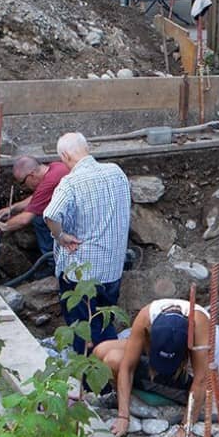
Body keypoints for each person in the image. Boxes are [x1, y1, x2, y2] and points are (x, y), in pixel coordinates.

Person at [42, 132, 131, 355]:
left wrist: (60, 236)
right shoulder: (116, 172)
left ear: (64, 155)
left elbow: (50, 215)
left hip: (81, 274)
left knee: (83, 330)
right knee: (103, 321)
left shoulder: (70, 183)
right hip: (112, 268)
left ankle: (94, 385)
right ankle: (114, 370)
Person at [92, 293, 219, 437]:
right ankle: (128, 397)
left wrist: (185, 427)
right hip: (173, 357)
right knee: (101, 351)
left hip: (194, 376)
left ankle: (152, 400)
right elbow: (127, 367)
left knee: (112, 360)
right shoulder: (147, 316)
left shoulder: (199, 328)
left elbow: (202, 380)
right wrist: (123, 417)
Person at [0, 155, 69, 257]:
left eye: (23, 182)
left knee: (39, 219)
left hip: (75, 222)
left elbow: (24, 220)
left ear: (32, 175)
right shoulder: (56, 166)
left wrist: (2, 228)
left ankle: (52, 261)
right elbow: (37, 197)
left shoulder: (49, 183)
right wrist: (14, 208)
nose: (24, 186)